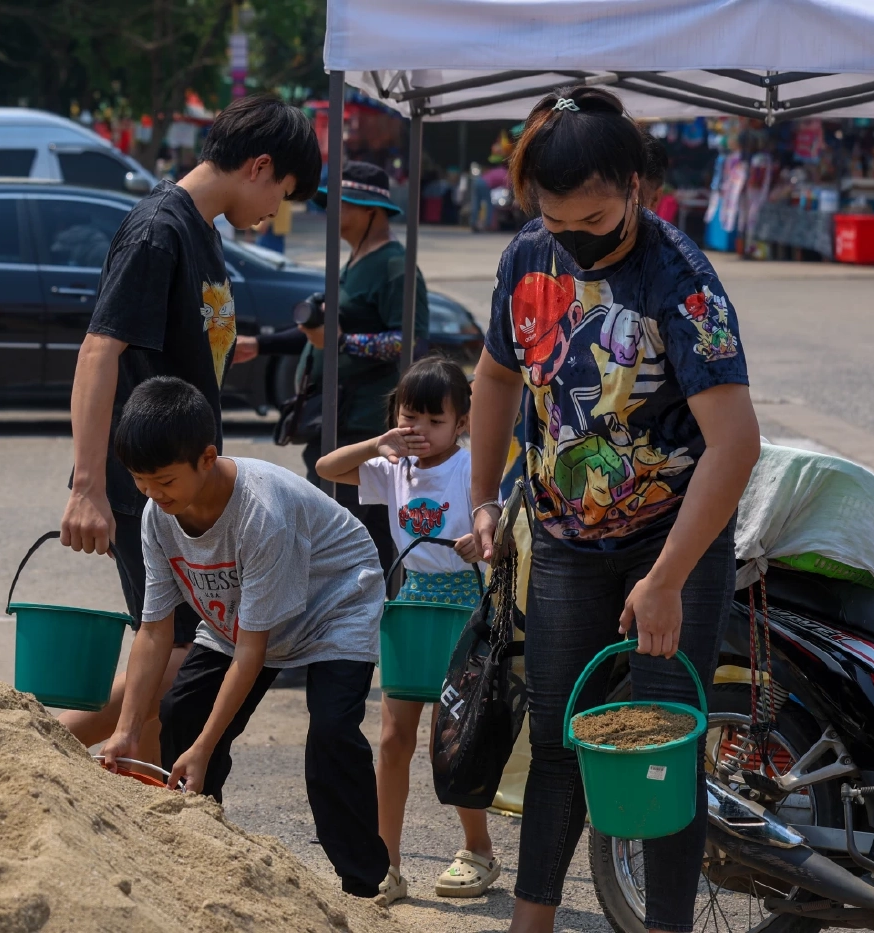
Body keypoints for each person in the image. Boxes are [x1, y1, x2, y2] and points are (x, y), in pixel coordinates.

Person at [465, 86, 760, 933]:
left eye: (593, 219)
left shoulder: (683, 281)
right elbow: (493, 376)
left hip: (675, 542)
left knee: (664, 746)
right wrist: (485, 497)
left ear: (638, 185)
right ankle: (533, 920)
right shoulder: (527, 256)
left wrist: (667, 580)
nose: (574, 241)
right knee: (558, 735)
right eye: (555, 222)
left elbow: (735, 444)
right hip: (563, 537)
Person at [57, 95, 321, 760]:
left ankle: (100, 765)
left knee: (176, 643)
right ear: (259, 166)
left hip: (188, 480)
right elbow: (99, 351)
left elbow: (186, 342)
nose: (274, 213)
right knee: (175, 644)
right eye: (281, 194)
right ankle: (52, 748)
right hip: (153, 478)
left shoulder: (201, 230)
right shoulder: (158, 231)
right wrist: (87, 486)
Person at [100, 377, 392, 899]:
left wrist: (206, 748)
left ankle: (364, 884)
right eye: (141, 481)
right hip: (242, 614)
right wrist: (124, 728)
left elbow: (255, 652)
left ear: (207, 457)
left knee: (330, 734)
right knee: (181, 716)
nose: (153, 494)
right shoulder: (157, 516)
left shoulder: (261, 512)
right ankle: (202, 851)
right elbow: (154, 629)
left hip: (334, 601)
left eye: (164, 480)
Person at [315, 356, 499, 904]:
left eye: (434, 420)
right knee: (394, 739)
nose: (418, 430)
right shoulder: (392, 466)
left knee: (454, 741)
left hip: (464, 606)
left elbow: (508, 517)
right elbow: (327, 467)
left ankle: (479, 850)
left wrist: (483, 539)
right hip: (411, 601)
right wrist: (378, 444)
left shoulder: (471, 467)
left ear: (462, 423)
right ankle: (386, 863)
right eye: (408, 415)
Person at [297, 161, 430, 575]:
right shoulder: (353, 260)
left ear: (371, 209)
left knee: (361, 544)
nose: (332, 213)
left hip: (370, 426)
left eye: (343, 204)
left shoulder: (395, 266)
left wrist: (343, 342)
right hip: (335, 418)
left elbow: (411, 342)